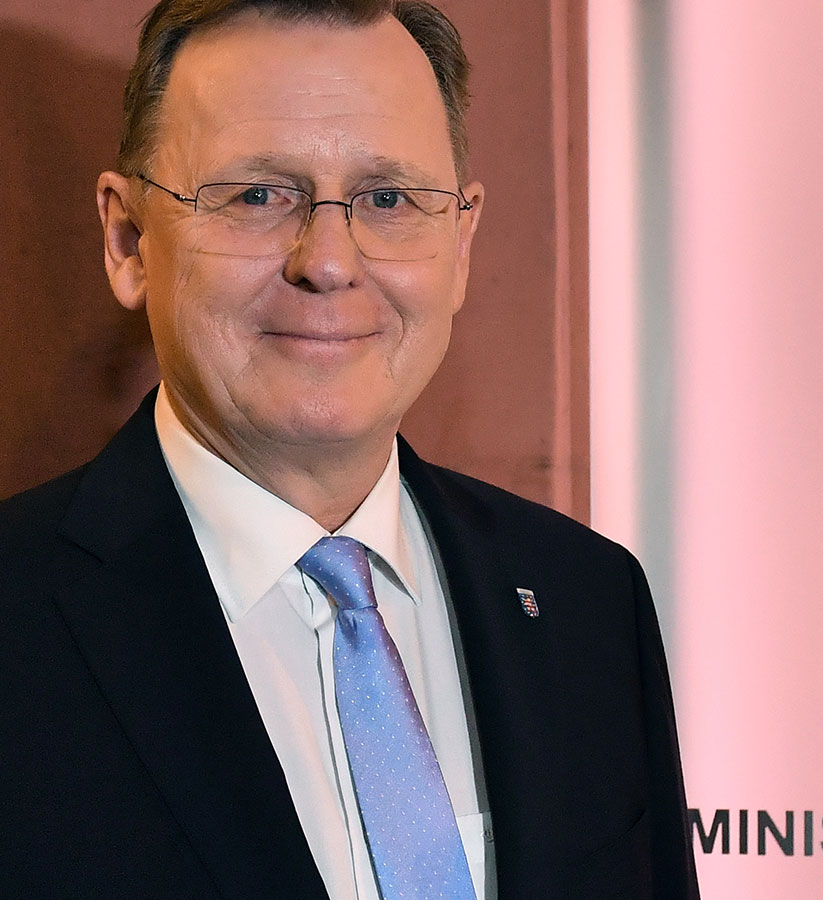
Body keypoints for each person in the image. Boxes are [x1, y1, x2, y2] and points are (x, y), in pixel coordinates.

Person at [0, 2, 700, 898]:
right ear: (128, 240)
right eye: (257, 195)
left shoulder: (588, 603)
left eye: (388, 200)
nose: (328, 262)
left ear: (462, 242)